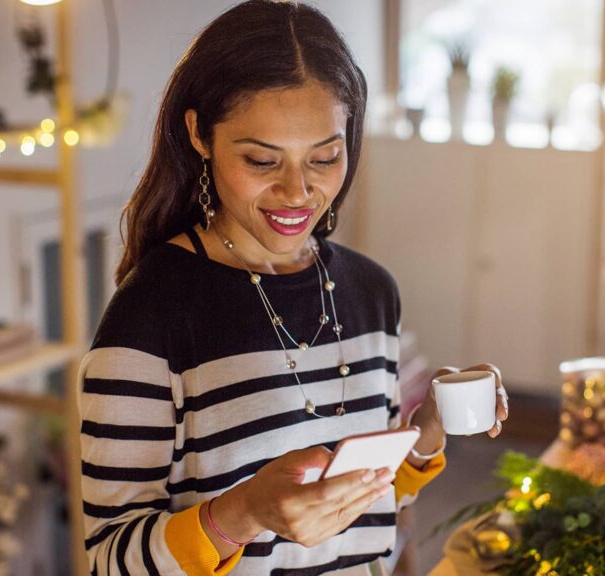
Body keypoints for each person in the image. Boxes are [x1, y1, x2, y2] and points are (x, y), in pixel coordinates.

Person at [78, 1, 509, 574]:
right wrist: (246, 511)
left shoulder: (370, 292)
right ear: (199, 135)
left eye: (325, 157)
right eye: (261, 160)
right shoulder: (151, 314)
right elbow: (112, 559)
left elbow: (372, 506)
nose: (297, 192)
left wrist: (424, 430)